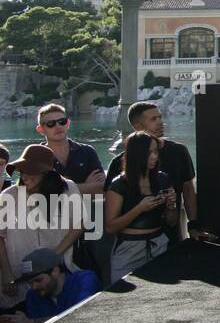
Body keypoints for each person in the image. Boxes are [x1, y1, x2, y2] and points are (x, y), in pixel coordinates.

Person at [106, 101, 209, 242]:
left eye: (160, 117)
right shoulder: (120, 162)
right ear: (138, 127)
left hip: (171, 234)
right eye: (153, 119)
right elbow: (111, 208)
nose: (160, 122)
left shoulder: (179, 151)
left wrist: (193, 226)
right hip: (132, 240)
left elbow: (188, 190)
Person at [0, 146, 83, 311]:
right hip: (18, 281)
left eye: (30, 172)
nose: (24, 177)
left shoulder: (68, 189)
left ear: (47, 174)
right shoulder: (8, 196)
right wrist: (7, 275)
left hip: (57, 277)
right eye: (21, 171)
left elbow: (78, 225)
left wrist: (53, 258)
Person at [105, 131, 178, 284]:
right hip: (129, 247)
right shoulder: (119, 185)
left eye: (156, 152)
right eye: (148, 152)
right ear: (136, 154)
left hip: (158, 243)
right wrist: (139, 208)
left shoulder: (162, 179)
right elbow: (110, 227)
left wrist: (171, 206)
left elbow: (172, 222)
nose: (154, 156)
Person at [0, 247, 101, 323]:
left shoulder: (85, 279)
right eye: (30, 283)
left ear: (55, 271)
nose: (34, 287)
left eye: (38, 280)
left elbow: (82, 319)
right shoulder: (32, 296)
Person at [35, 103, 105, 195]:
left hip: (87, 208)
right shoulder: (36, 156)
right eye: (51, 123)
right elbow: (41, 193)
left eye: (62, 121)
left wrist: (61, 190)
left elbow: (101, 188)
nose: (58, 126)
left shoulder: (87, 152)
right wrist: (87, 186)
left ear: (67, 123)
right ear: (41, 129)